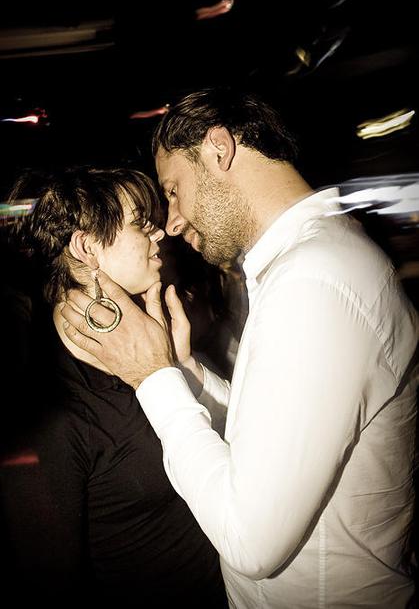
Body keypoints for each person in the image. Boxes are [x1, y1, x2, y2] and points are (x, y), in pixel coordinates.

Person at [61, 87, 419, 608]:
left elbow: (250, 542)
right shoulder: (311, 261)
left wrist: (152, 377)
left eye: (173, 190)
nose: (171, 222)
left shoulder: (314, 280)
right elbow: (273, 435)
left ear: (218, 149)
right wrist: (184, 371)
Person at [1, 165, 229, 608]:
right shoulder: (50, 416)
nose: (160, 232)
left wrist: (181, 367)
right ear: (87, 247)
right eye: (140, 223)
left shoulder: (156, 350)